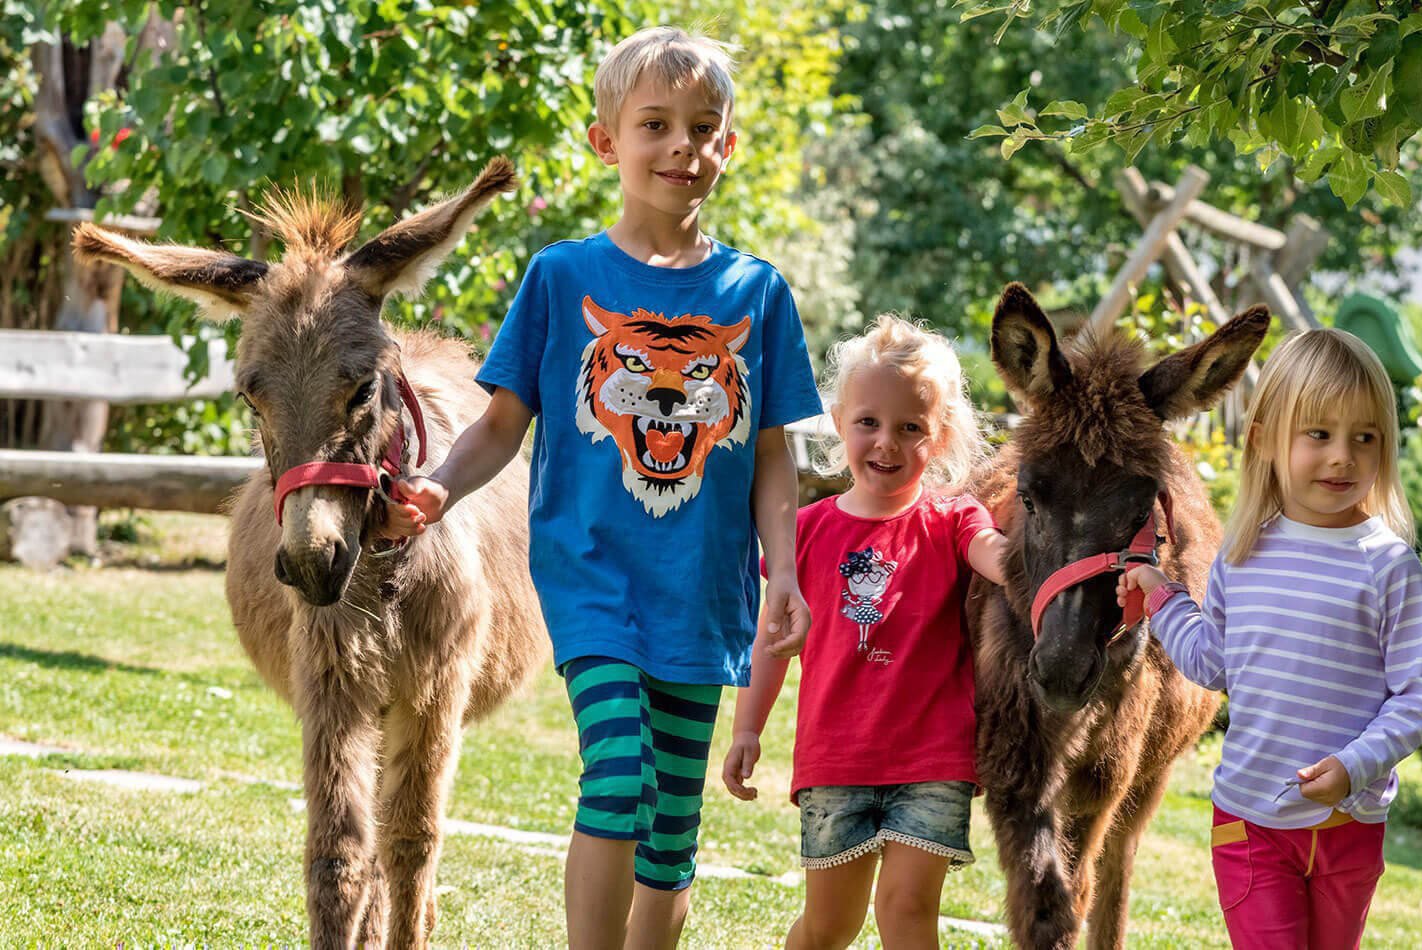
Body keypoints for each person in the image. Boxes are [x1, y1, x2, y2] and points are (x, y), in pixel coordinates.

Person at [379, 26, 821, 949]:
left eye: (704, 128)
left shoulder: (758, 291)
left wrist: (784, 571)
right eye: (654, 124)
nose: (681, 147)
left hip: (705, 590)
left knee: (672, 825)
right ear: (605, 141)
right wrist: (435, 490)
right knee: (618, 776)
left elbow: (773, 453)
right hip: (592, 580)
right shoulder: (560, 276)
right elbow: (503, 422)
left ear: (728, 148)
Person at [1118, 327, 1422, 950]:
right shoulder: (1242, 557)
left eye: (1364, 437)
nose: (1342, 456)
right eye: (1318, 434)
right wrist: (1161, 595)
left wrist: (1354, 766)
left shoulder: (1389, 566)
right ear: (1266, 440)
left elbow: (1418, 697)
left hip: (1350, 824)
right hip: (1249, 825)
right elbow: (1213, 663)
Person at [721, 315, 1008, 949]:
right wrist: (747, 729)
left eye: (912, 429)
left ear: (942, 436)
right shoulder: (805, 531)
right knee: (829, 927)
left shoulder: (955, 518)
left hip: (933, 758)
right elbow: (773, 638)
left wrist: (1031, 559)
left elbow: (995, 552)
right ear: (838, 421)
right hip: (836, 759)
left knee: (907, 911)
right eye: (869, 423)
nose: (888, 443)